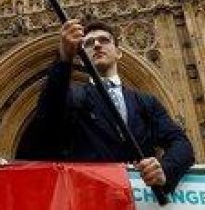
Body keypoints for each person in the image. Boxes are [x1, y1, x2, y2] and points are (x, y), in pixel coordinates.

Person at [17, 19, 194, 192]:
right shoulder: (73, 98)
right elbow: (47, 115)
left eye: (104, 40)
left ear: (119, 52)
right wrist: (64, 58)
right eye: (88, 43)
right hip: (91, 196)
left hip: (140, 198)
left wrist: (164, 169)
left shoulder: (145, 101)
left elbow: (181, 143)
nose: (96, 45)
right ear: (82, 57)